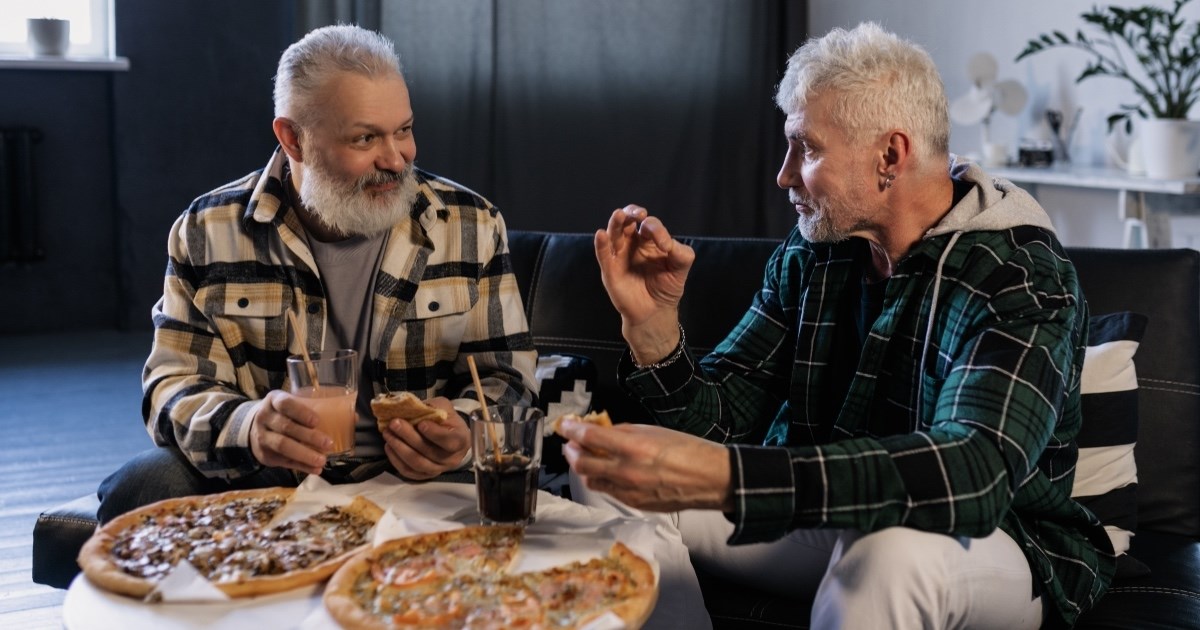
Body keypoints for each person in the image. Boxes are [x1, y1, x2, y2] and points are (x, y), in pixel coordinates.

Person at [559, 22, 1113, 629]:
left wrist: (728, 476)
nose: (784, 175)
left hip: (993, 541)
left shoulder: (1018, 274)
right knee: (608, 478)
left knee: (891, 548)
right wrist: (653, 325)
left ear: (889, 156)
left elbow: (973, 473)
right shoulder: (815, 251)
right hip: (829, 510)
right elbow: (721, 418)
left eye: (808, 148)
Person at [97, 24, 537, 521]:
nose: (396, 159)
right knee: (143, 483)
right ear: (293, 139)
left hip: (426, 478)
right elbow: (172, 386)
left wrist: (461, 431)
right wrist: (250, 428)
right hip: (272, 475)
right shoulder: (207, 230)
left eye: (405, 129)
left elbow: (509, 381)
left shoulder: (471, 223)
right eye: (365, 137)